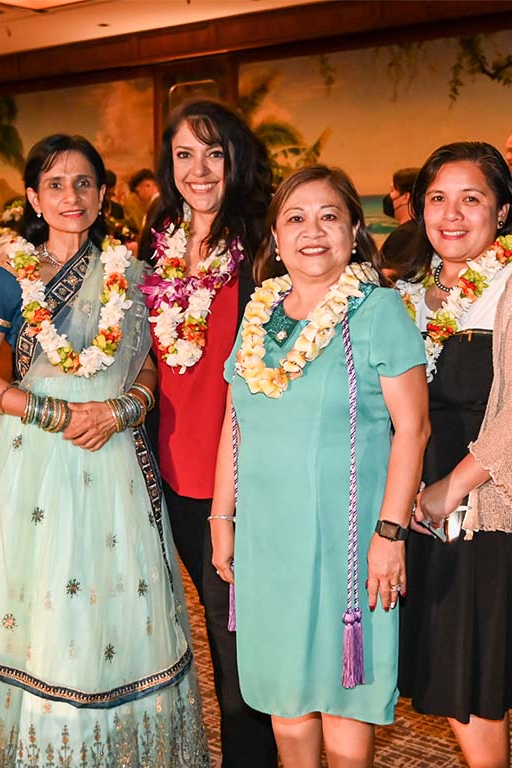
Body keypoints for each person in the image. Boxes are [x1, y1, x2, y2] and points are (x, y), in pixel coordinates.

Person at [0, 134, 210, 767]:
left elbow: (154, 368)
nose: (70, 196)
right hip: (37, 458)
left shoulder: (134, 277)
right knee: (40, 600)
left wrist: (118, 410)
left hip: (114, 456)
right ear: (32, 197)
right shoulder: (8, 277)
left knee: (114, 600)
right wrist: (57, 412)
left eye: (83, 183)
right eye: (54, 184)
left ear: (104, 193)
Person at [211, 165, 430, 766]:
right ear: (276, 238)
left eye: (329, 216)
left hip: (348, 539)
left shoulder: (379, 310)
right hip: (268, 538)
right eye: (296, 218)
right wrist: (221, 518)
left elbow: (414, 428)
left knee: (343, 714)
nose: (313, 231)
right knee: (286, 711)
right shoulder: (259, 317)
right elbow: (235, 424)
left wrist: (390, 534)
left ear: (354, 229)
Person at [390, 141, 512, 768]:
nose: (452, 214)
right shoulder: (409, 292)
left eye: (472, 199)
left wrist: (447, 490)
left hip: (488, 509)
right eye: (438, 198)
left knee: (474, 692)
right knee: (446, 674)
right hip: (421, 506)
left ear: (503, 212)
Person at [138, 98, 278, 767]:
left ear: (236, 158)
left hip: (235, 478)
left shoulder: (261, 240)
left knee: (240, 647)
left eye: (213, 153)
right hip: (164, 472)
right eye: (184, 154)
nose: (198, 169)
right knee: (186, 634)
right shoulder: (158, 237)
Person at [379, 166, 420, 268]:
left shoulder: (403, 236)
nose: (389, 196)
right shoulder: (423, 228)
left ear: (405, 197)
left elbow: (386, 276)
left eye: (392, 190)